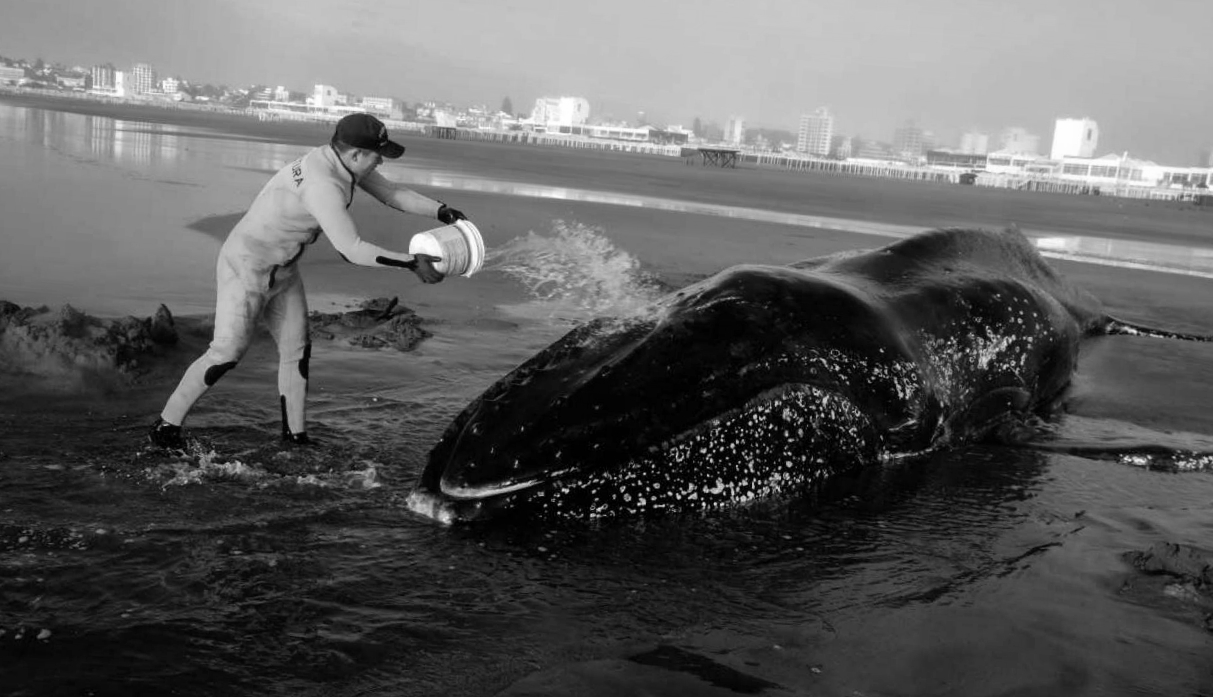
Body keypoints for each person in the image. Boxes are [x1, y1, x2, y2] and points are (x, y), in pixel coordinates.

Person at [148, 113, 468, 449]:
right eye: (377, 155)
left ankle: (295, 437)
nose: (380, 163)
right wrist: (410, 263)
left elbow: (391, 193)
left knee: (296, 351)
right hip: (246, 266)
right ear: (356, 154)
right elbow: (351, 250)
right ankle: (165, 427)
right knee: (226, 353)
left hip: (282, 270)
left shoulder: (339, 161)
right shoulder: (323, 185)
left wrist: (443, 211)